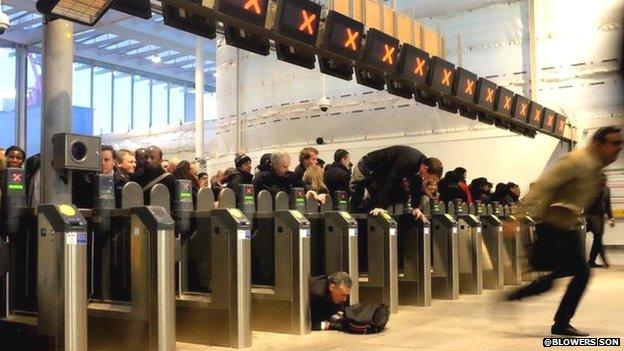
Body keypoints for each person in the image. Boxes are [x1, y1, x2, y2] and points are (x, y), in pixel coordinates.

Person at [507, 126, 623, 337]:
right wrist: (517, 217)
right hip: (552, 226)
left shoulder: (596, 167)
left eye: (621, 143)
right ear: (599, 143)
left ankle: (521, 296)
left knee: (563, 274)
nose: (619, 148)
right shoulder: (577, 161)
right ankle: (559, 322)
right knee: (580, 272)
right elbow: (543, 185)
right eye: (615, 143)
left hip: (566, 226)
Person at [349, 146, 443, 221]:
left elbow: (416, 185)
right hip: (366, 168)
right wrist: (380, 206)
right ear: (425, 169)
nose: (428, 180)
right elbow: (390, 180)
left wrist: (415, 207)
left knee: (375, 200)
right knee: (357, 202)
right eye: (431, 177)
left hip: (378, 174)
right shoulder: (408, 160)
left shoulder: (420, 164)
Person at [585, 174, 615, 268]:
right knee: (598, 238)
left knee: (597, 239)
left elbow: (608, 205)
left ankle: (591, 261)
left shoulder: (607, 190)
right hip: (591, 216)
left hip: (601, 217)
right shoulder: (591, 190)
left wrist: (611, 218)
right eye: (602, 182)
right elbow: (589, 205)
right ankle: (604, 260)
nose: (604, 183)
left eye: (605, 182)